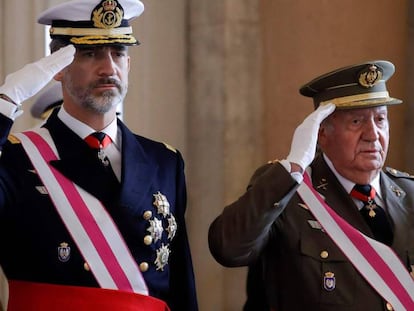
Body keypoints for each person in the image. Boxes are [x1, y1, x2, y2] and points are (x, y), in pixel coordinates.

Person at [0, 0, 198, 310]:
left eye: (119, 53)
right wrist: (4, 103)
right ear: (57, 67)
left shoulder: (164, 161)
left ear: (129, 64)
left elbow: (181, 285)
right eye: (90, 54)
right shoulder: (17, 158)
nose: (109, 68)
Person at [208, 60, 414, 311]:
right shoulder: (288, 192)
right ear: (322, 132)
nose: (373, 134)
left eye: (380, 119)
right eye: (357, 122)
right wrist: (292, 169)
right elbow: (228, 248)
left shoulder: (409, 194)